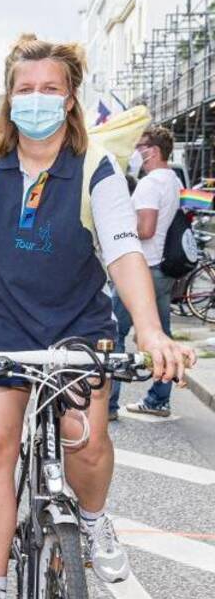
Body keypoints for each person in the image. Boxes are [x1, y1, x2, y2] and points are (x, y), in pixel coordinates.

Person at [0, 34, 194, 599]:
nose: (35, 99)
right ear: (9, 98)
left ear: (70, 101)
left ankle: (91, 519)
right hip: (0, 324)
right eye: (25, 89)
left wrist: (150, 331)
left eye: (50, 90)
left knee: (85, 439)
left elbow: (123, 253)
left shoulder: (96, 169)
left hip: (75, 326)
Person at [109, 126, 182, 420]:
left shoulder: (151, 184)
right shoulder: (172, 180)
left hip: (143, 268)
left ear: (152, 151)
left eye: (139, 147)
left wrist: (119, 228)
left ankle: (108, 404)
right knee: (161, 335)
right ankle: (158, 400)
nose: (136, 153)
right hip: (162, 270)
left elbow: (146, 229)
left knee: (113, 333)